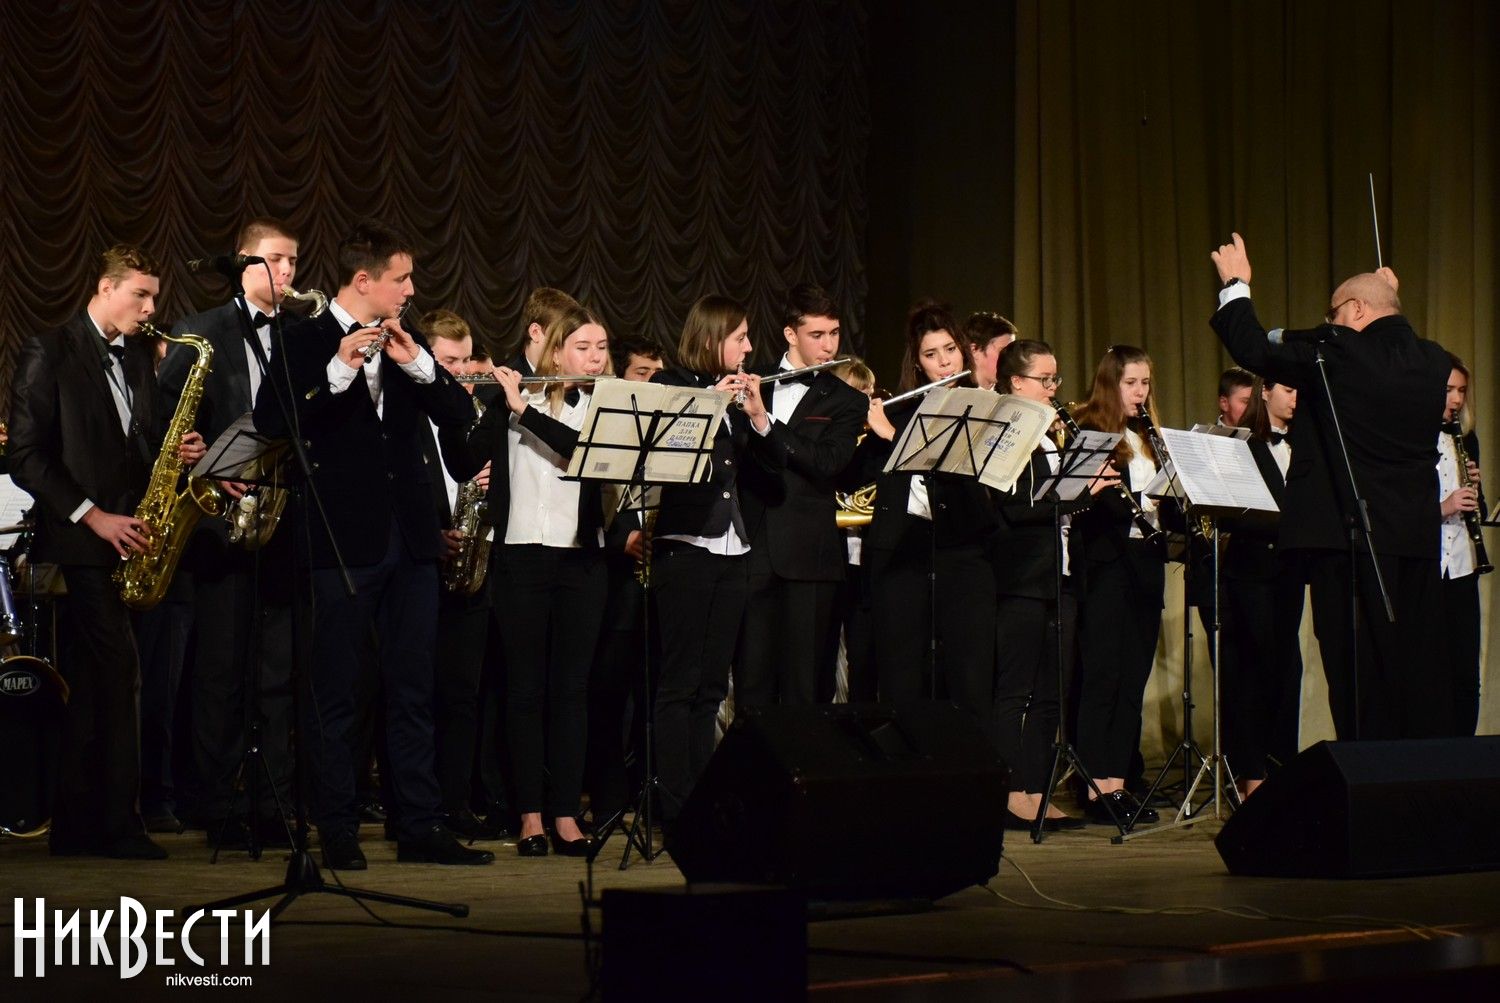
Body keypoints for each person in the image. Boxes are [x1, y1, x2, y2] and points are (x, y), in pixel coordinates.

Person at [252, 219, 493, 868]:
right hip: (340, 540)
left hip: (411, 541)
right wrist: (338, 369)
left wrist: (419, 365)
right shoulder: (302, 339)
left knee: (413, 687)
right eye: (402, 279)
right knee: (337, 690)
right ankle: (336, 827)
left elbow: (459, 419)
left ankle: (419, 824)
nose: (411, 290)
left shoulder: (407, 345)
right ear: (364, 280)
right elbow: (272, 420)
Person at [1210, 232, 1452, 739]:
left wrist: (1236, 285)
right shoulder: (1433, 360)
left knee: (1356, 673)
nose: (1329, 322)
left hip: (1348, 540)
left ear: (1357, 310)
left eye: (1335, 312)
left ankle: (1368, 775)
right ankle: (1414, 777)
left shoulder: (1338, 353)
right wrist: (1385, 300)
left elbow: (1252, 347)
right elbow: (1388, 340)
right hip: (1414, 539)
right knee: (1413, 668)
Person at [8, 243, 205, 859]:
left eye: (153, 297)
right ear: (104, 288)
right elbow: (25, 456)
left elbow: (135, 443)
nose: (150, 309)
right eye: (139, 296)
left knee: (96, 684)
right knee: (120, 674)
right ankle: (121, 825)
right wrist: (93, 516)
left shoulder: (140, 356)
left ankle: (75, 826)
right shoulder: (49, 349)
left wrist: (178, 451)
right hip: (83, 540)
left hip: (131, 536)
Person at [158, 217, 300, 848]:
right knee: (219, 672)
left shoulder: (300, 333)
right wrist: (198, 457)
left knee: (276, 673)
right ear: (243, 262)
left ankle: (273, 802)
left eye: (293, 261)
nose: (287, 271)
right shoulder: (200, 331)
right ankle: (216, 802)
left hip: (283, 518)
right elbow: (164, 420)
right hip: (219, 521)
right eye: (275, 259)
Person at [467, 306, 613, 856]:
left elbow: (582, 452)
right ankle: (530, 815)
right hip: (521, 556)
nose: (595, 358)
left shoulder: (606, 405)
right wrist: (483, 399)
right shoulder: (508, 398)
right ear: (556, 352)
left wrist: (523, 410)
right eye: (583, 347)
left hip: (581, 561)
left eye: (601, 347)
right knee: (523, 690)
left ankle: (566, 814)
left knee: (572, 691)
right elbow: (464, 456)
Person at [840, 303, 995, 730]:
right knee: (902, 678)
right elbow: (850, 477)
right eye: (931, 354)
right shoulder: (900, 411)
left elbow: (960, 482)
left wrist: (892, 437)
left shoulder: (984, 411)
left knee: (967, 676)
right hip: (901, 555)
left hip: (962, 552)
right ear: (918, 363)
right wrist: (860, 424)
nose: (944, 362)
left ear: (963, 351)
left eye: (950, 349)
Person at [649, 296, 775, 822]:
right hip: (686, 547)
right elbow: (665, 460)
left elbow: (771, 474)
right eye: (740, 337)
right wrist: (709, 405)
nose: (749, 347)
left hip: (732, 548)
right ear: (710, 339)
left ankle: (702, 802)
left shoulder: (741, 395)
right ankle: (673, 804)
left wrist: (758, 417)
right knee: (678, 683)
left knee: (711, 688)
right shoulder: (668, 384)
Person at [990, 339, 1115, 831]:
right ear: (1016, 383)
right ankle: (1011, 792)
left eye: (1055, 379)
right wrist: (1078, 494)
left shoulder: (1050, 435)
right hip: (1020, 577)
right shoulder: (1004, 433)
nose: (1053, 388)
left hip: (1058, 576)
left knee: (1049, 694)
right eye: (1045, 380)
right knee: (1014, 691)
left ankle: (1038, 790)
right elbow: (1014, 509)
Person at [735, 283, 867, 708]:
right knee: (752, 684)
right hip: (752, 549)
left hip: (811, 556)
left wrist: (765, 423)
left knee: (804, 688)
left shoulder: (847, 400)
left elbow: (828, 462)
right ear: (790, 334)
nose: (829, 346)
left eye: (834, 334)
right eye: (817, 335)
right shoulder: (751, 381)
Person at [1069, 345, 1165, 825]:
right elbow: (1089, 505)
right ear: (1112, 383)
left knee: (1133, 680)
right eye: (1131, 383)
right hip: (1107, 565)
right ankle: (1095, 787)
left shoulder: (1152, 437)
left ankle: (1119, 784)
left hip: (1146, 565)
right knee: (1102, 677)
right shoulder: (1088, 431)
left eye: (1145, 383)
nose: (1140, 392)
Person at [418, 309, 498, 839]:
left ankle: (455, 803)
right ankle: (413, 806)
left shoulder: (476, 415)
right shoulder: (410, 414)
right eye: (450, 362)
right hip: (420, 568)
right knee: (413, 694)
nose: (463, 372)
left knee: (463, 696)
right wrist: (433, 534)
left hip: (470, 570)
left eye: (467, 361)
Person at [1220, 376, 1303, 797]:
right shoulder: (1243, 445)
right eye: (1288, 389)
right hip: (1251, 572)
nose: (1295, 398)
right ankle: (1252, 774)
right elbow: (1233, 511)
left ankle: (1282, 769)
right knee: (1255, 668)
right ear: (1265, 392)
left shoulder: (1306, 444)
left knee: (1288, 669)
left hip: (1290, 571)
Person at [1437, 354, 1486, 736]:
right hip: (1426, 568)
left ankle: (1463, 755)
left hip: (1462, 567)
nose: (1456, 399)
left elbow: (1475, 508)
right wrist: (1444, 506)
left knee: (1465, 675)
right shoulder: (1407, 440)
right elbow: (1396, 511)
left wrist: (1475, 490)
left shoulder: (1466, 438)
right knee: (1430, 674)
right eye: (1449, 390)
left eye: (1462, 391)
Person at [962, 311, 1018, 392]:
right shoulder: (954, 395)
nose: (1011, 360)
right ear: (974, 350)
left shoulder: (1011, 393)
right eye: (1003, 351)